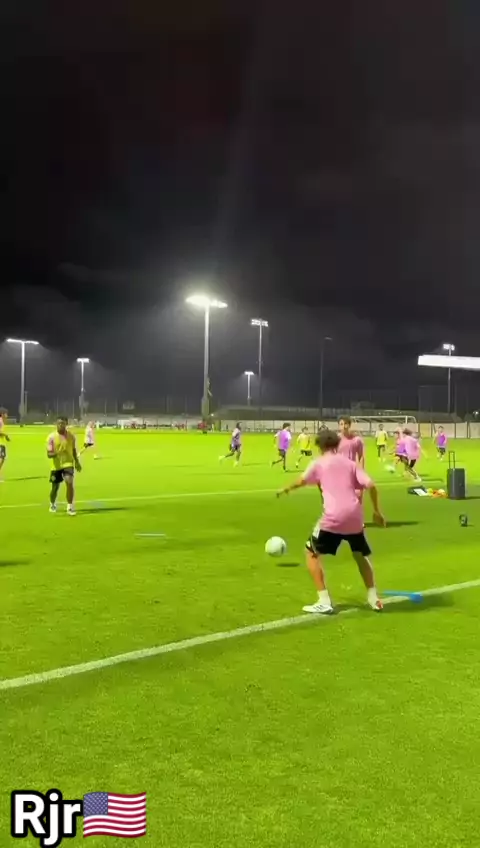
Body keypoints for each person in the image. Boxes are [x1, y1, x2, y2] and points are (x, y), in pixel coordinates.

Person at [278, 429, 385, 614]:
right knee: (360, 556)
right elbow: (371, 485)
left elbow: (302, 481)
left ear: (319, 446)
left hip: (333, 517)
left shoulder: (318, 463)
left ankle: (324, 600)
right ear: (337, 444)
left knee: (311, 552)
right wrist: (377, 511)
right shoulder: (350, 464)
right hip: (355, 517)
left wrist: (286, 488)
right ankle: (374, 598)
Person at [47, 417, 81, 515]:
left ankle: (70, 507)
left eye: (63, 423)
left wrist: (77, 462)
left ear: (66, 424)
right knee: (55, 488)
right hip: (56, 465)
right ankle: (52, 503)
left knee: (69, 482)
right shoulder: (51, 437)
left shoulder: (71, 436)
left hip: (68, 463)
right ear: (56, 424)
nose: (61, 425)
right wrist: (57, 453)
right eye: (59, 423)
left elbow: (73, 450)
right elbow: (49, 454)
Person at [0, 408, 11, 480]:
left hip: (2, 442)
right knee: (2, 458)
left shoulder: (2, 421)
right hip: (0, 443)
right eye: (6, 414)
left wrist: (5, 436)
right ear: (2, 414)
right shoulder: (0, 421)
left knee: (2, 458)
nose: (7, 415)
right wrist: (6, 435)